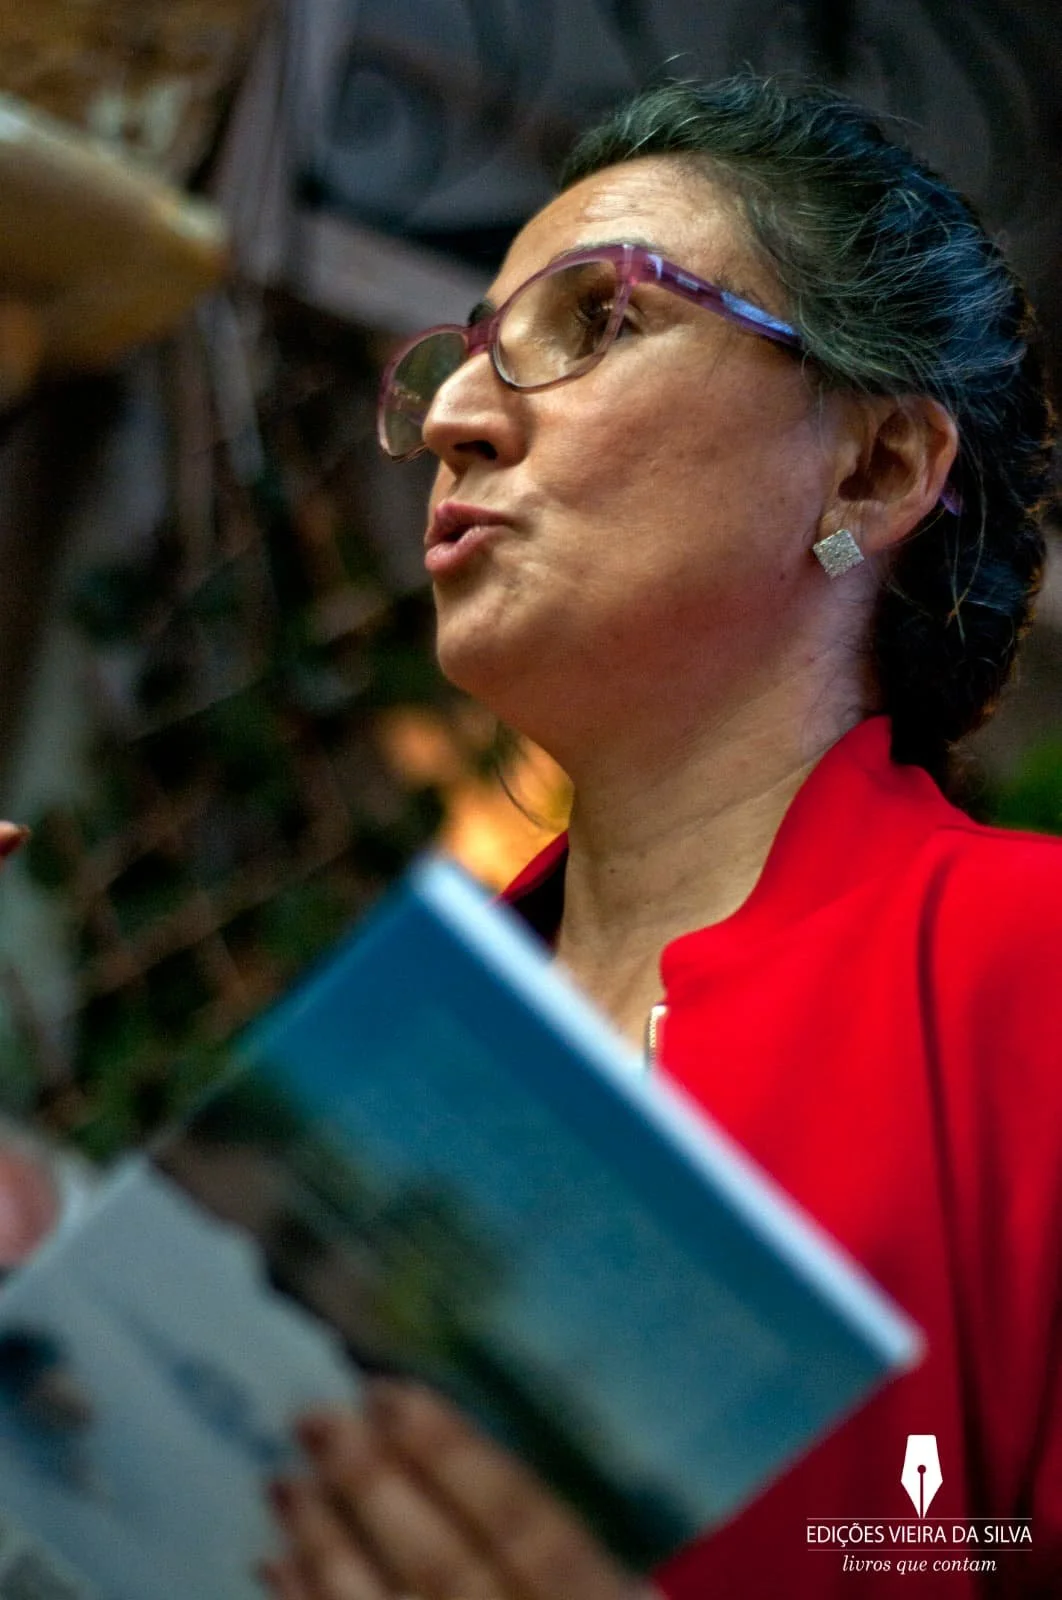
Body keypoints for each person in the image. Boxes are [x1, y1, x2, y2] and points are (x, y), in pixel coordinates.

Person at [260, 75, 1061, 1598]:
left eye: (593, 323)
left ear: (875, 467)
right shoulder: (373, 1059)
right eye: (467, 352)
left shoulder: (1029, 971)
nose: (449, 417)